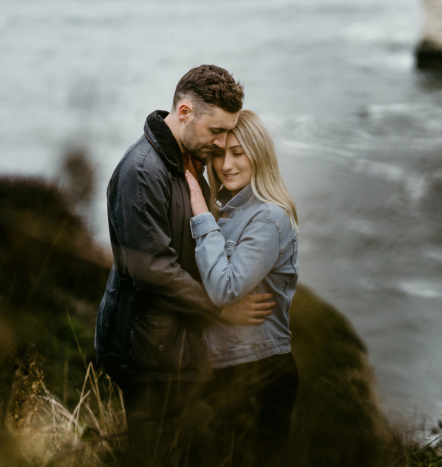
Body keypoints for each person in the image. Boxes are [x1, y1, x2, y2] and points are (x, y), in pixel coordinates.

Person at [94, 65, 275, 465]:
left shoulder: (189, 159)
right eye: (216, 132)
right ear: (183, 113)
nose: (222, 141)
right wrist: (222, 309)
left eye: (228, 132)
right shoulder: (143, 172)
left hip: (178, 343)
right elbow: (152, 271)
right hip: (146, 352)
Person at [185, 109, 299, 467]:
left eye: (238, 152)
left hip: (261, 372)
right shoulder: (230, 215)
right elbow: (217, 298)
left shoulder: (268, 218)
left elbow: (223, 288)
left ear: (259, 155)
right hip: (228, 369)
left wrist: (199, 207)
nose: (226, 164)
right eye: (218, 153)